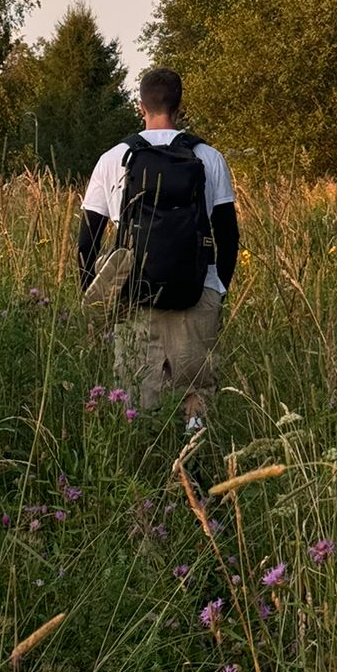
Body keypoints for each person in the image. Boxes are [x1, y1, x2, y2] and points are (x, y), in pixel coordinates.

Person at [78, 66, 239, 434]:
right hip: (196, 292)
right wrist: (217, 288)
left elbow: (88, 238)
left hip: (135, 294)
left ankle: (144, 468)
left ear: (141, 107)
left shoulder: (113, 159)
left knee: (134, 394)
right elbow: (228, 235)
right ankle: (193, 467)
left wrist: (97, 297)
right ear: (180, 108)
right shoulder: (209, 158)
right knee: (196, 391)